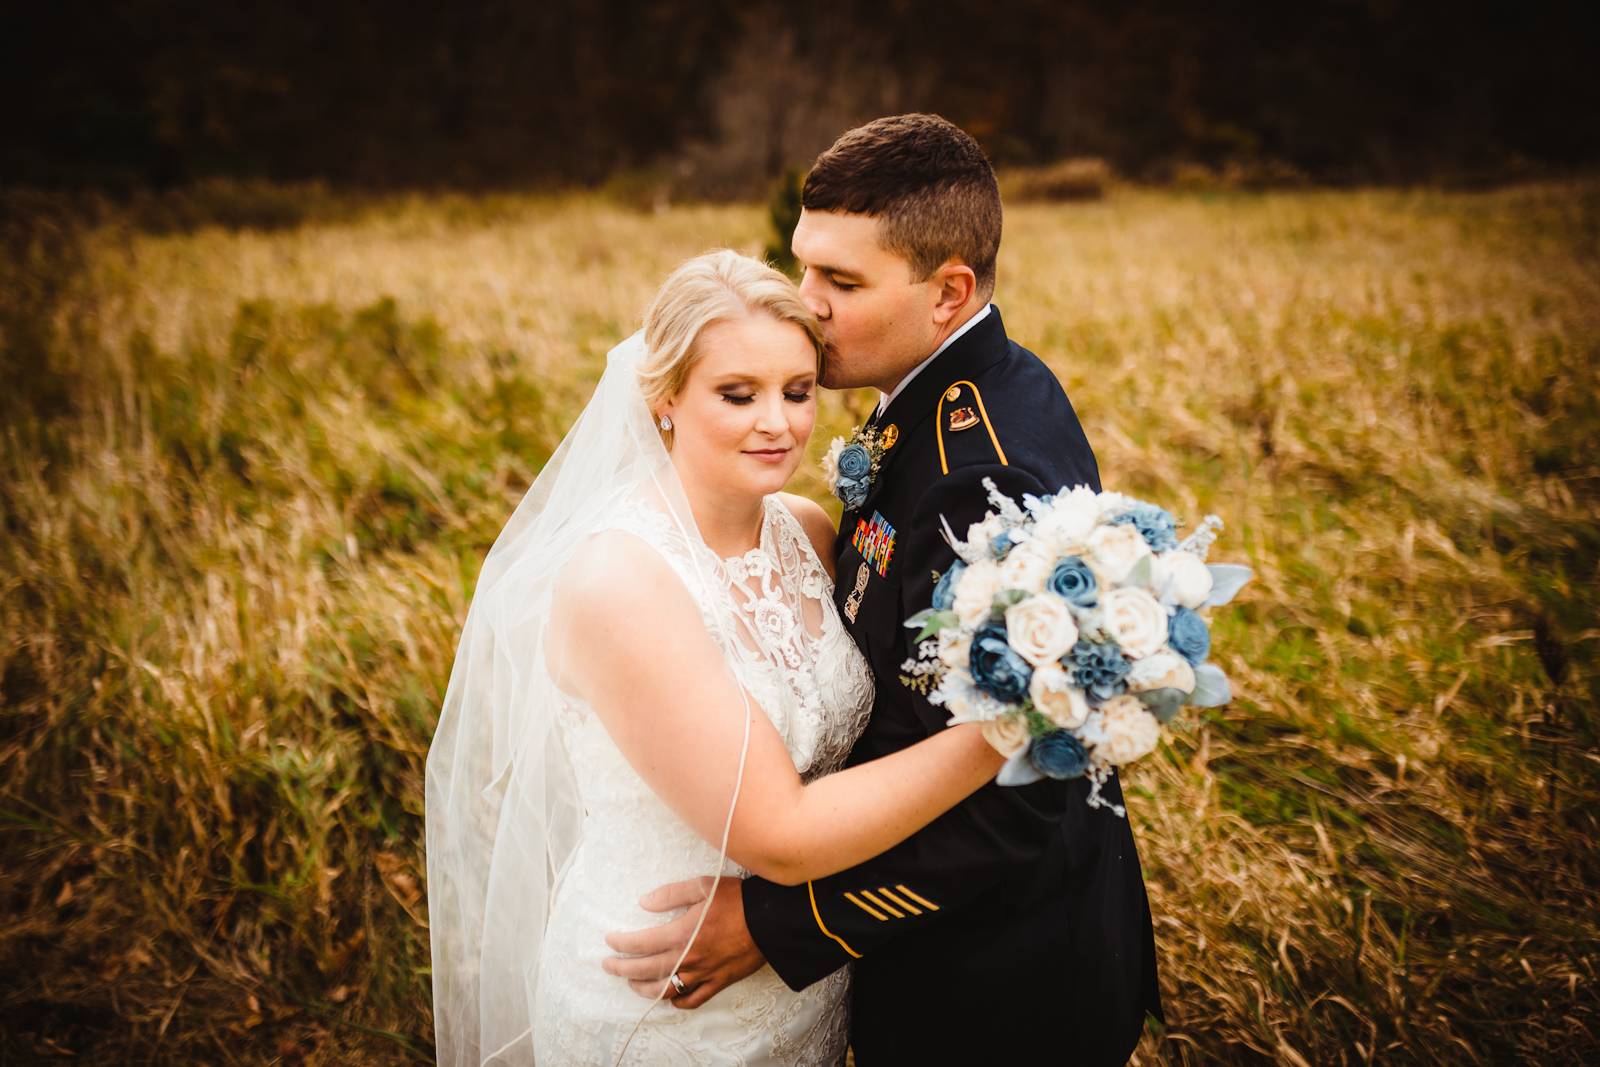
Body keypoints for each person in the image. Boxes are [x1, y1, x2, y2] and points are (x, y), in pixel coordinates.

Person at [605, 115, 1164, 1065]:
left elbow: (1018, 782)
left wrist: (785, 921)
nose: (806, 302)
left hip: (995, 984)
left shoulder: (980, 473)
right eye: (804, 266)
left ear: (948, 293)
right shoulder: (941, 395)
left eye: (843, 281)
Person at [424, 249, 1008, 1066]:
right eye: (738, 394)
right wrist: (1011, 725)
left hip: (801, 978)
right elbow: (781, 832)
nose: (778, 423)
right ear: (665, 395)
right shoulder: (620, 580)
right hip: (665, 990)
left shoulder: (806, 529)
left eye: (797, 391)